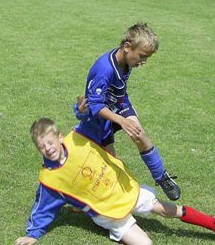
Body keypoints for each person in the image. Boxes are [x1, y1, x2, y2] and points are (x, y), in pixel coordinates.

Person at [15, 118, 215, 245]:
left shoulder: (78, 138)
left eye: (50, 142)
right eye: (42, 146)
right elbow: (43, 208)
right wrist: (32, 234)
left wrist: (81, 108)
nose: (48, 149)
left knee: (168, 210)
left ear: (60, 137)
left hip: (124, 190)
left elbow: (95, 117)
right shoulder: (50, 179)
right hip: (109, 213)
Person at [72, 23, 180, 201]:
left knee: (139, 134)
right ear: (127, 47)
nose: (143, 62)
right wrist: (121, 121)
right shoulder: (104, 69)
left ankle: (162, 177)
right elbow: (96, 106)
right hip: (100, 117)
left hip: (120, 103)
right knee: (110, 160)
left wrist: (124, 115)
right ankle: (98, 198)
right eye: (142, 57)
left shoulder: (126, 60)